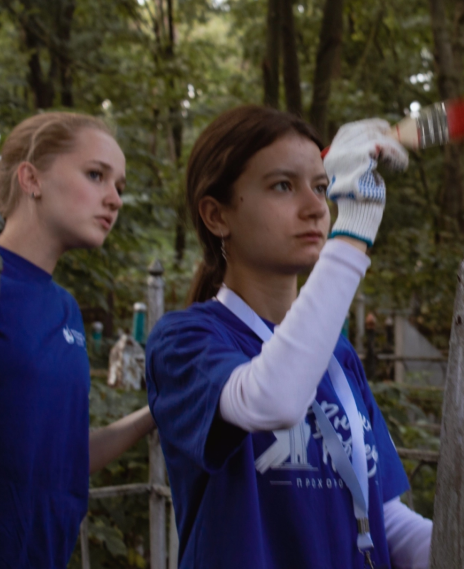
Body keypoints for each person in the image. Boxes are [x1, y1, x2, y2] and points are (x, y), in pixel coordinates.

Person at [145, 105, 432, 569]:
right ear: (217, 216)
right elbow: (271, 400)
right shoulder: (183, 342)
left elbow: (383, 519)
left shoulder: (338, 355)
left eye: (321, 186)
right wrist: (354, 228)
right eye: (283, 185)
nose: (316, 207)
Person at [0, 112, 156, 568]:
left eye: (118, 185)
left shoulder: (66, 309)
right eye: (96, 175)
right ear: (31, 179)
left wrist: (155, 412)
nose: (114, 199)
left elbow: (65, 456)